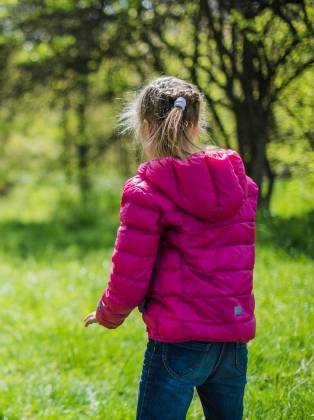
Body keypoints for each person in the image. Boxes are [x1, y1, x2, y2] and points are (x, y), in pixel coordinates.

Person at [83, 76, 258, 419]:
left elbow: (130, 272)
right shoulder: (240, 184)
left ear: (146, 127)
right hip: (232, 338)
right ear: (195, 125)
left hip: (178, 341)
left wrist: (108, 313)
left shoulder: (145, 190)